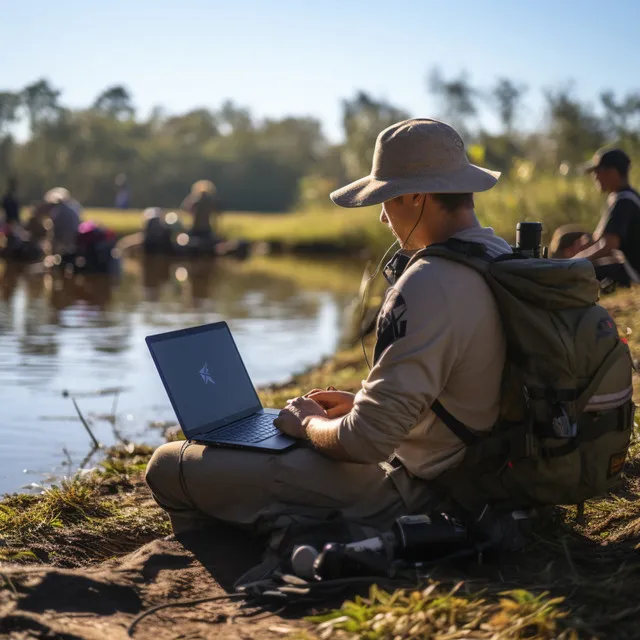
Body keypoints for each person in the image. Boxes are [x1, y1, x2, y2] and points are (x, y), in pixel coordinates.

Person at [145, 119, 511, 536]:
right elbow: (468, 384)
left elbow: (366, 444)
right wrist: (362, 403)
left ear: (415, 194)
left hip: (427, 491)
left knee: (169, 463)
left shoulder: (431, 280)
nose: (383, 219)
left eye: (386, 198)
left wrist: (306, 425)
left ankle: (220, 549)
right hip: (486, 477)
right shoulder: (500, 259)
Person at [573, 149, 640, 285]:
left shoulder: (624, 200)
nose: (595, 177)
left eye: (597, 171)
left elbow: (609, 244)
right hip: (629, 267)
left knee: (578, 272)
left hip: (634, 273)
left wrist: (573, 262)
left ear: (612, 172)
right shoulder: (624, 196)